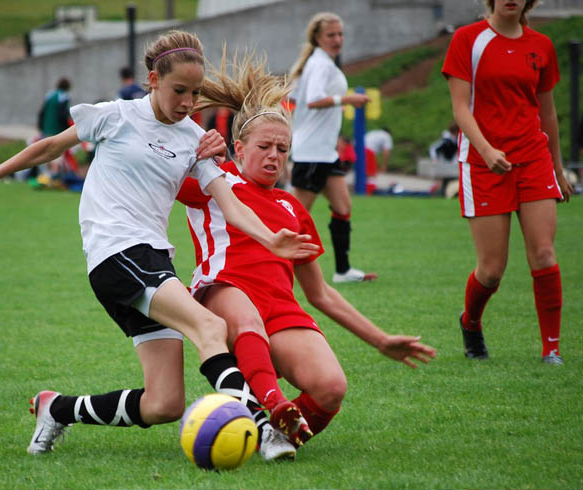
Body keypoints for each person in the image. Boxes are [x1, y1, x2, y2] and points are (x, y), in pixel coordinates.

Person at [0, 30, 319, 456]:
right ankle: (262, 425)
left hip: (153, 260)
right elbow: (49, 147)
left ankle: (56, 409)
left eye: (195, 93)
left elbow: (232, 206)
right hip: (116, 253)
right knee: (211, 326)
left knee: (164, 403)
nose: (187, 102)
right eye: (179, 90)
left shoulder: (192, 140)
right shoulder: (116, 115)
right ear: (152, 80)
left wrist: (272, 238)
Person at [178, 53, 436, 458]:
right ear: (239, 148)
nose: (274, 156)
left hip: (279, 311)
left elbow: (321, 294)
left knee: (332, 387)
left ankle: (270, 437)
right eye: (264, 146)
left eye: (283, 149)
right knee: (244, 312)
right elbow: (154, 167)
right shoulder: (214, 181)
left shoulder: (291, 207)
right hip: (222, 296)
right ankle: (271, 407)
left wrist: (380, 339)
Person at [442, 0, 573, 364]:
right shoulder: (468, 39)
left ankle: (552, 349)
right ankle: (471, 322)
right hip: (484, 164)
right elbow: (460, 109)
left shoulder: (541, 45)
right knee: (492, 269)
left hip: (534, 159)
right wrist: (486, 151)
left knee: (544, 254)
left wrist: (558, 170)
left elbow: (547, 111)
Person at [288, 12, 377, 283]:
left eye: (340, 34)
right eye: (331, 35)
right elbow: (314, 100)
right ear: (317, 37)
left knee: (342, 206)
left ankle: (342, 270)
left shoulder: (321, 62)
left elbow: (297, 98)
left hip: (325, 153)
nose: (338, 40)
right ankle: (269, 268)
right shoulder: (320, 64)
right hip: (312, 153)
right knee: (293, 218)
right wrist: (348, 99)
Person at [34, 77, 78, 176]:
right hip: (57, 130)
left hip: (46, 129)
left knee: (46, 153)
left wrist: (41, 126)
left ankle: (46, 175)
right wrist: (67, 128)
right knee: (56, 155)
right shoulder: (64, 97)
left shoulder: (49, 95)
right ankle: (54, 177)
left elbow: (42, 112)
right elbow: (63, 115)